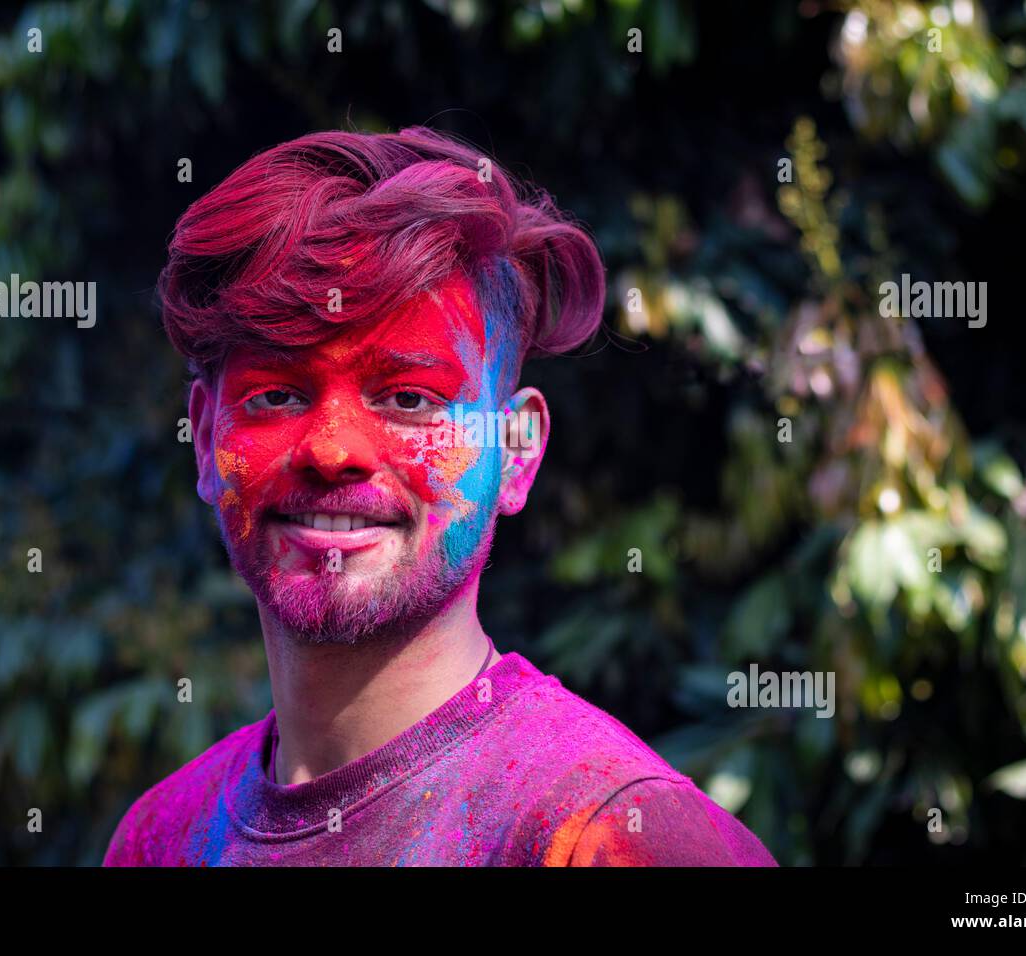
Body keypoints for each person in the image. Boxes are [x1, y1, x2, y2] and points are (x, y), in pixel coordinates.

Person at [103, 127, 776, 866]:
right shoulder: (158, 838)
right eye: (275, 395)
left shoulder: (613, 836)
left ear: (517, 452)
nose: (333, 450)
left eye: (409, 398)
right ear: (204, 439)